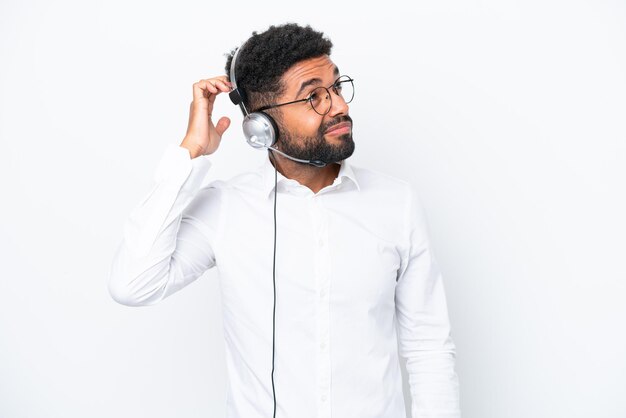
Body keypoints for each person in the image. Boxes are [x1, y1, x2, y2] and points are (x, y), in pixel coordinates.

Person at [108, 23, 461, 418]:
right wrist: (190, 154)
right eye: (314, 97)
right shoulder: (226, 207)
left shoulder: (397, 203)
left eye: (337, 88)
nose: (340, 106)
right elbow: (132, 285)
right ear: (262, 125)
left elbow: (428, 348)